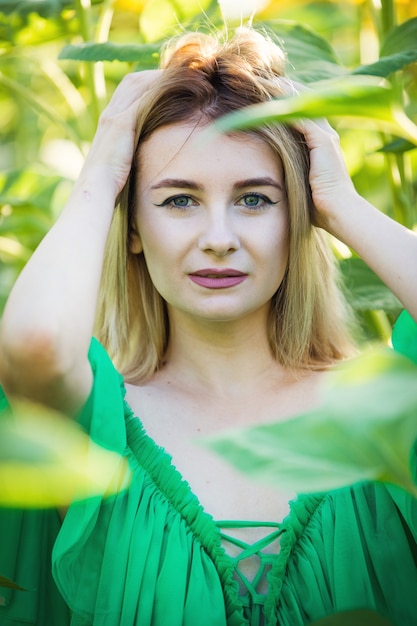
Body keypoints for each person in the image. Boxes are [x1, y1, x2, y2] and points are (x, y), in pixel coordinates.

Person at [0, 27, 417, 626]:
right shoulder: (95, 431)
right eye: (178, 200)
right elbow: (35, 345)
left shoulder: (387, 410)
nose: (219, 240)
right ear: (134, 230)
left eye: (254, 199)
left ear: (299, 218)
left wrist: (341, 202)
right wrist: (100, 177)